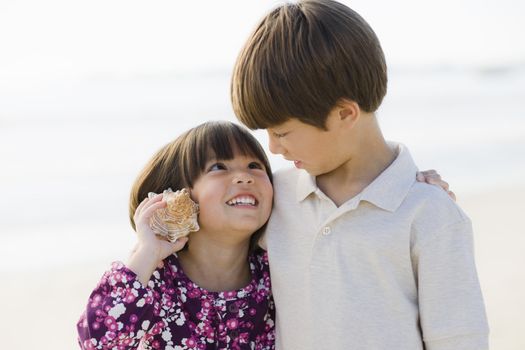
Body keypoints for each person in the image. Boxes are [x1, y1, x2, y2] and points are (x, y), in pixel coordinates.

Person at [231, 1, 489, 349]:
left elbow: (459, 337)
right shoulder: (273, 197)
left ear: (344, 113)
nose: (273, 149)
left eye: (282, 133)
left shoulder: (430, 213)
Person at [77, 121, 276, 349]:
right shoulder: (155, 280)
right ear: (182, 196)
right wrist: (147, 253)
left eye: (254, 165)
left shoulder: (275, 271)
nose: (244, 177)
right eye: (218, 167)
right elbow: (99, 343)